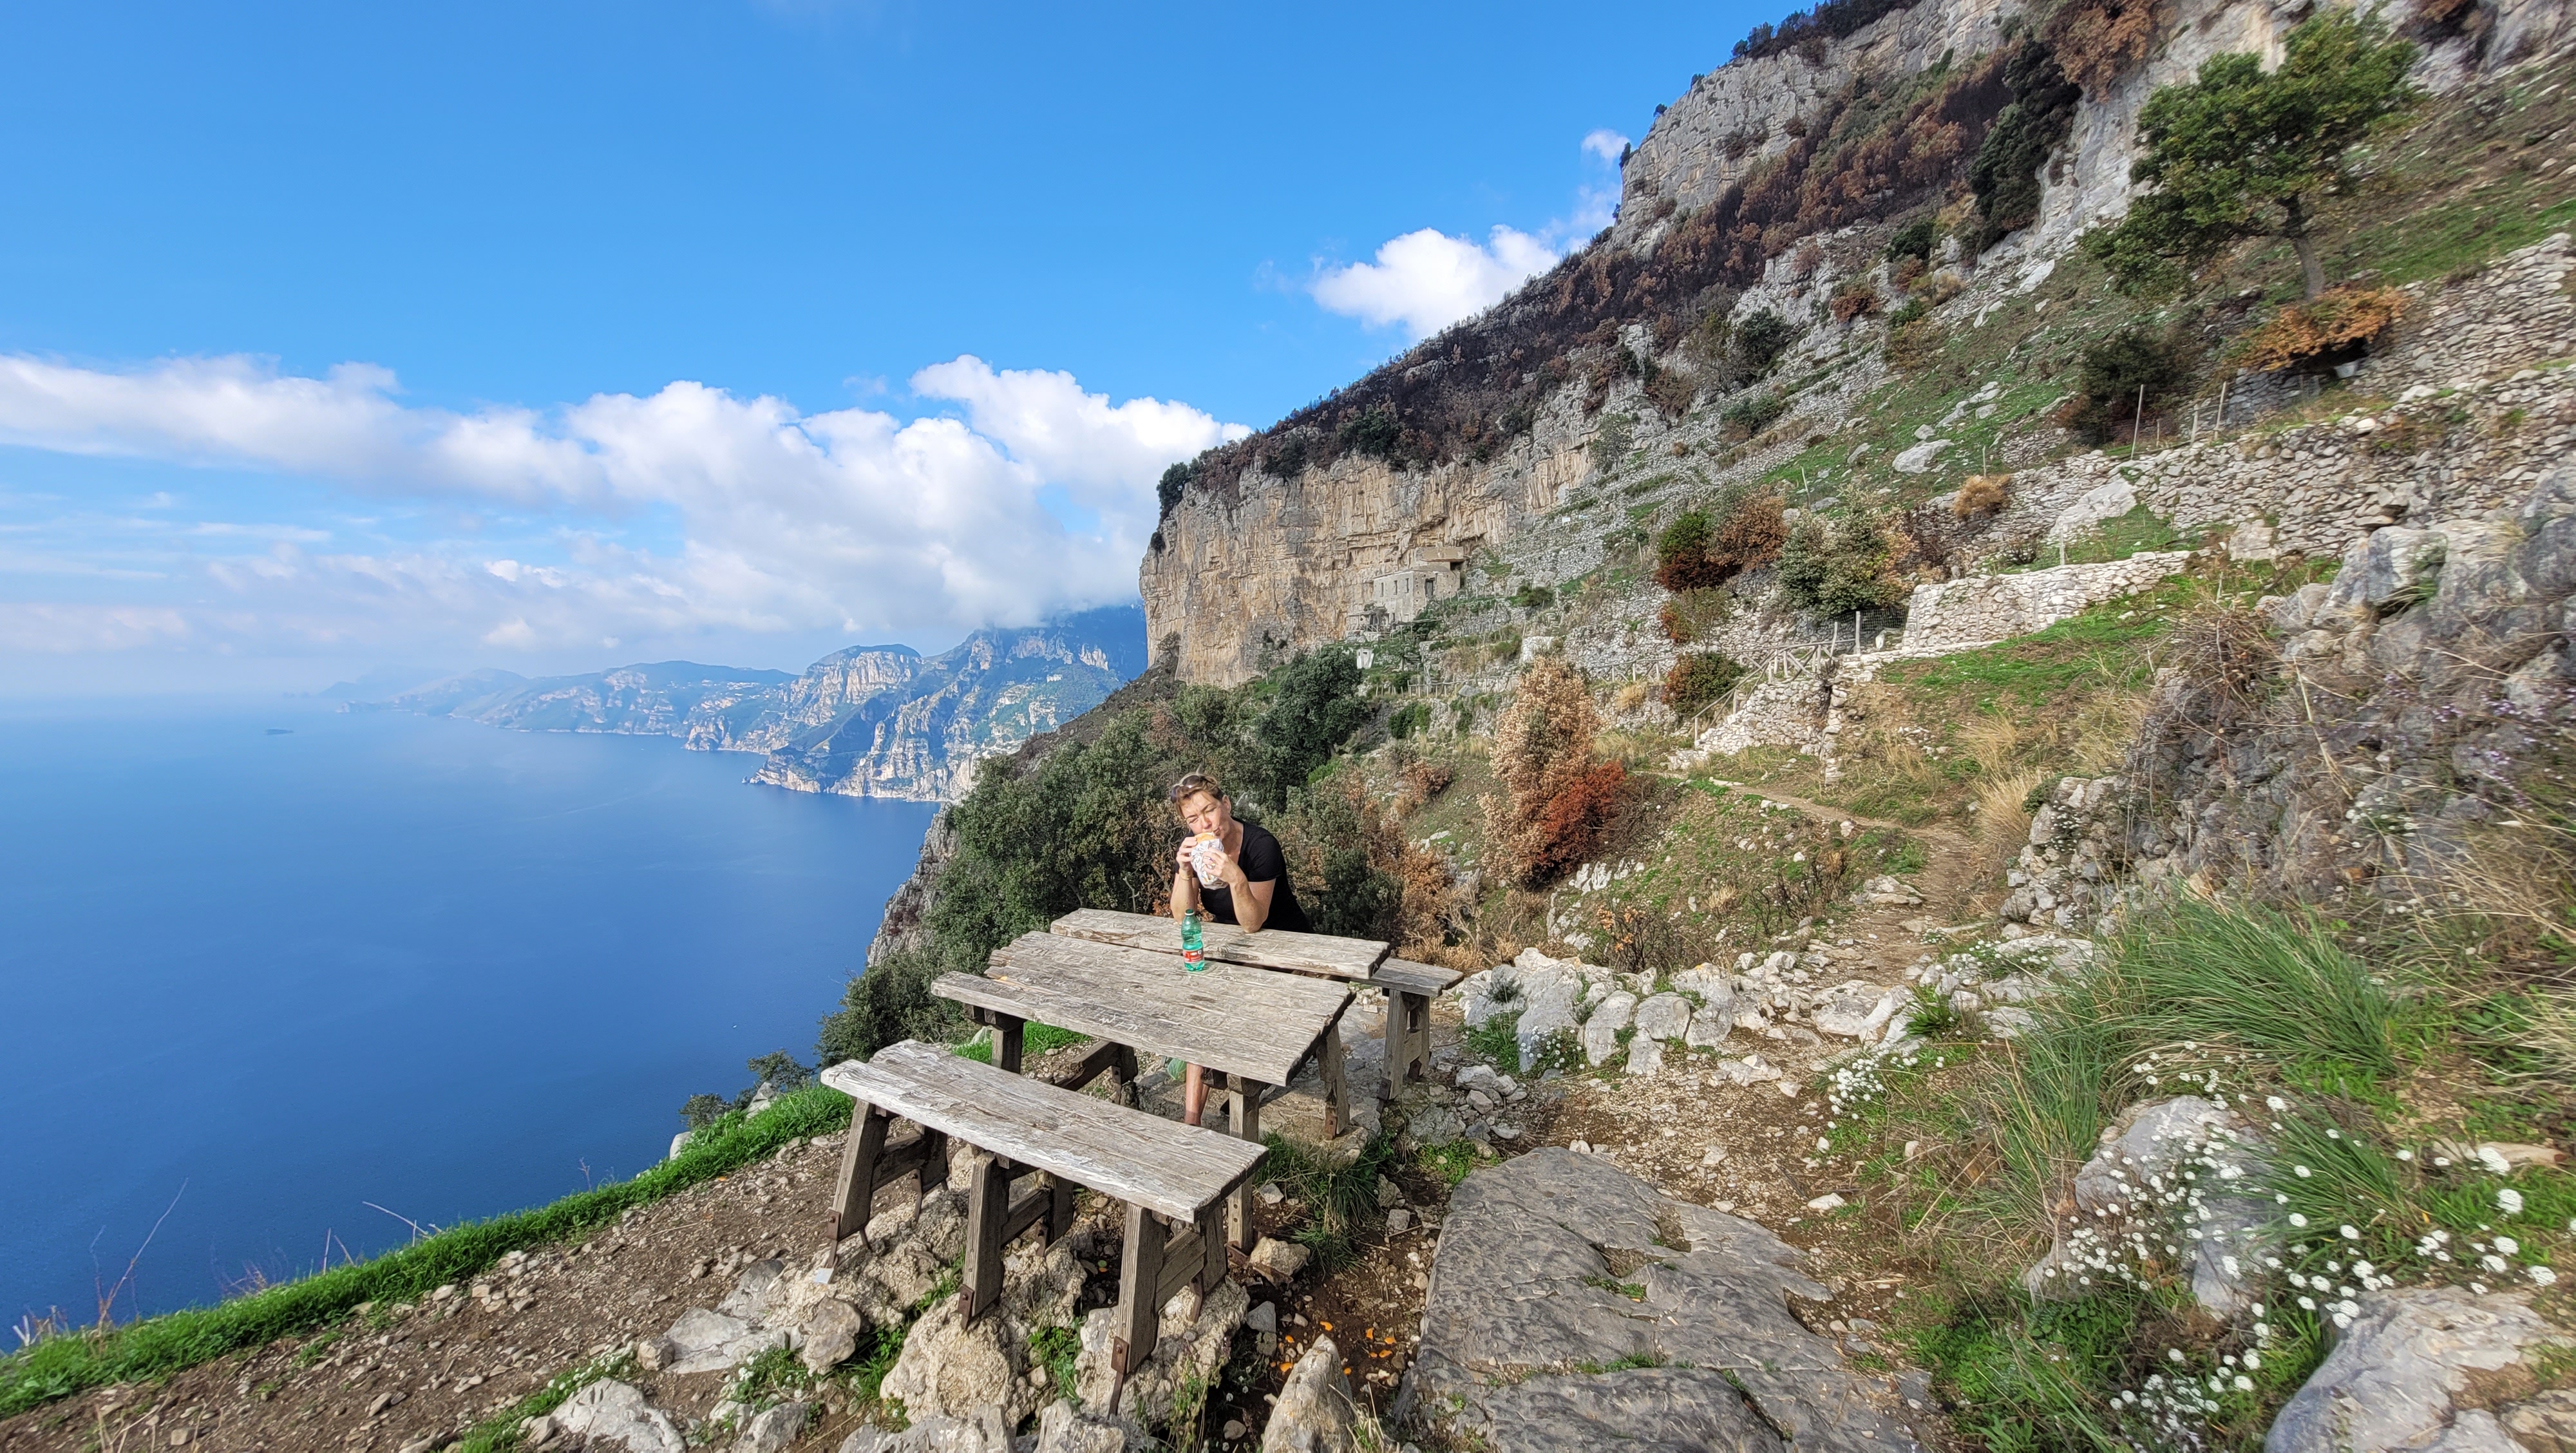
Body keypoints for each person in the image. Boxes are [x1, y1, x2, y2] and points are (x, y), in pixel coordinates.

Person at [1165, 772, 1309, 1125]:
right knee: (1201, 997)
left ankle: (1237, 1079)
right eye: (1193, 818)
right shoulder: (1197, 846)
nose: (1204, 823)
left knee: (1223, 1003)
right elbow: (1180, 914)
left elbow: (1253, 922)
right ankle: (1192, 1120)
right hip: (1239, 946)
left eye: (1209, 810)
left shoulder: (1261, 846)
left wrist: (1235, 878)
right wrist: (1184, 871)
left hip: (1287, 941)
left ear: (1226, 805)